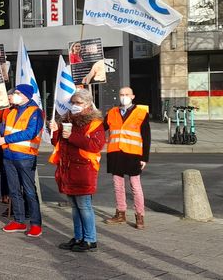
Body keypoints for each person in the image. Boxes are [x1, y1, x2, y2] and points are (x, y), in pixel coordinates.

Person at [49, 88, 106, 252]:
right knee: (74, 206)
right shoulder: (67, 119)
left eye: (78, 103)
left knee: (84, 206)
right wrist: (54, 130)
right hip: (68, 167)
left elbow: (96, 145)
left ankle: (90, 239)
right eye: (73, 102)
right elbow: (57, 143)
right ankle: (79, 236)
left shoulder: (95, 122)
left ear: (88, 104)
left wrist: (71, 136)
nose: (74, 106)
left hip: (84, 169)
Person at [0, 84, 44, 237]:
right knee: (14, 190)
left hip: (25, 156)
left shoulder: (36, 112)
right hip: (9, 156)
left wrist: (6, 138)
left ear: (25, 96)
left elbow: (30, 133)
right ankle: (19, 221)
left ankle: (36, 224)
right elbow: (7, 129)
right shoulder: (12, 111)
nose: (14, 95)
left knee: (29, 191)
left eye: (17, 93)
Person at [104, 87, 151, 230]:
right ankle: (120, 214)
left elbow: (146, 137)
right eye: (121, 94)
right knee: (117, 185)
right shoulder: (112, 112)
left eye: (127, 94)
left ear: (133, 96)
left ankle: (140, 216)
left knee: (135, 186)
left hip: (133, 154)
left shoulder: (141, 113)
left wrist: (144, 158)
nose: (124, 97)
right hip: (115, 152)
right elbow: (101, 128)